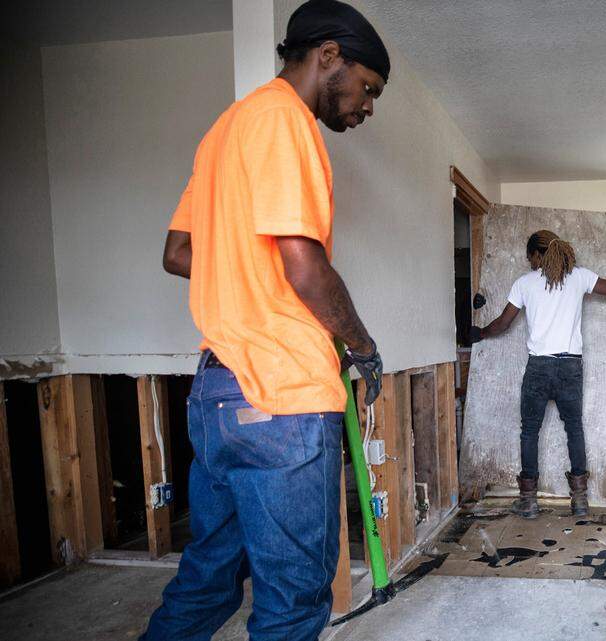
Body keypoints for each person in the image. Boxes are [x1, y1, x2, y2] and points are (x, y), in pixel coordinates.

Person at [141, 2, 390, 638]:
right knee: (294, 602)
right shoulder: (285, 121)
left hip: (218, 394)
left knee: (207, 580)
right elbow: (305, 268)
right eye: (367, 89)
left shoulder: (226, 129)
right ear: (329, 56)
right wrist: (362, 348)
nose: (366, 108)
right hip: (282, 396)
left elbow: (179, 254)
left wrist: (244, 276)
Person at [471, 230, 606, 518]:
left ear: (537, 255)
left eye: (530, 258)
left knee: (529, 431)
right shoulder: (579, 277)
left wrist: (480, 333)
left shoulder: (525, 283)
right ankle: (579, 501)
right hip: (570, 367)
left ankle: (528, 502)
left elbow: (502, 324)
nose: (529, 264)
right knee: (574, 429)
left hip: (539, 367)